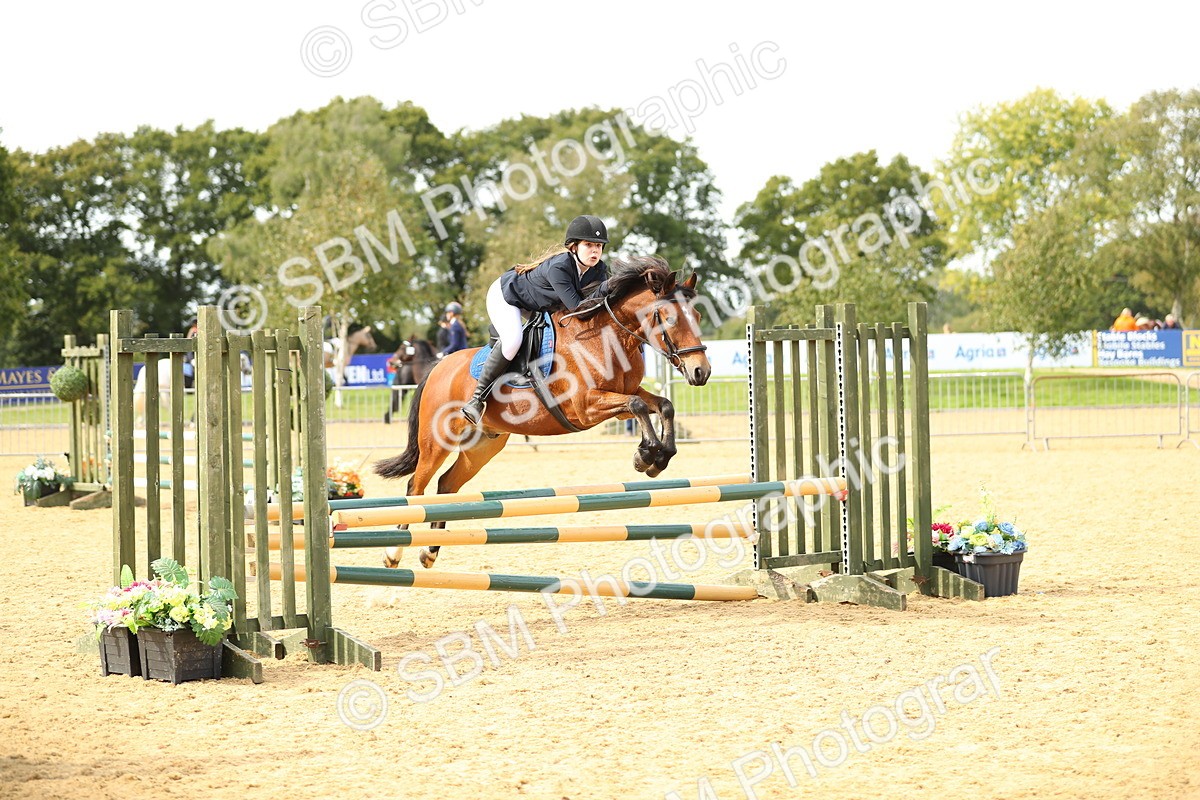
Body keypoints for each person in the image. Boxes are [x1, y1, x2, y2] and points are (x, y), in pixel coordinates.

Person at [461, 214, 611, 425]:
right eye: (589, 245)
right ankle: (476, 399)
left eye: (599, 246)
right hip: (508, 296)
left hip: (538, 305)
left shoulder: (599, 270)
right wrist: (606, 288)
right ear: (574, 247)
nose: (595, 251)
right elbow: (577, 307)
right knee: (513, 339)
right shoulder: (560, 267)